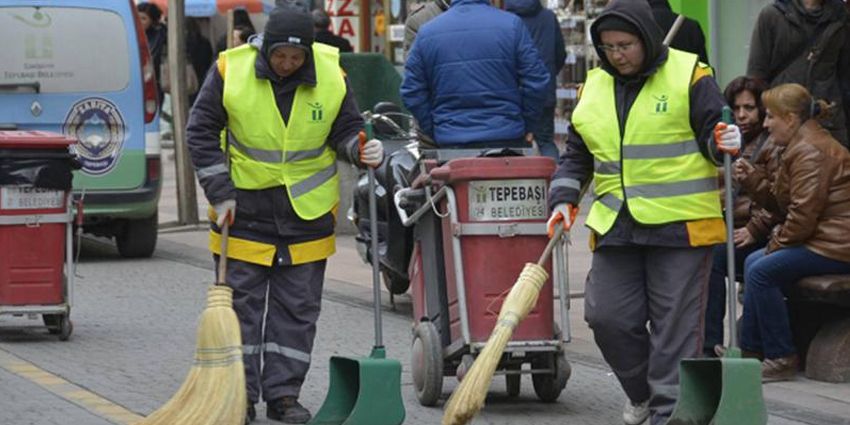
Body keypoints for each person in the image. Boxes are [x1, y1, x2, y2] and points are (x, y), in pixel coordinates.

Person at [185, 6, 383, 424]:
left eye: (296, 58)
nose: (288, 65)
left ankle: (284, 396)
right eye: (280, 57)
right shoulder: (229, 71)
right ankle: (239, 395)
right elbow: (200, 130)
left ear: (308, 53)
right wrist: (219, 192)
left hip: (306, 217)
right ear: (265, 48)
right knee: (241, 312)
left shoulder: (332, 75)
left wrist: (359, 148)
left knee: (297, 312)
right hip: (243, 213)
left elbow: (346, 129)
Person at [545, 1, 739, 424]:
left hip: (682, 227)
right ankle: (643, 394)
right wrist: (563, 198)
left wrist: (723, 140)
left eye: (626, 44)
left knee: (676, 330)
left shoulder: (691, 74)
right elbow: (576, 156)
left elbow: (713, 132)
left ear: (647, 39)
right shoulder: (592, 87)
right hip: (617, 226)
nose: (617, 54)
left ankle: (669, 415)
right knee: (606, 316)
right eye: (609, 46)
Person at [718, 83, 850, 381]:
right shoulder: (797, 147)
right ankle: (752, 350)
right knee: (756, 264)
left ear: (790, 118)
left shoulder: (811, 152)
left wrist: (774, 244)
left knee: (761, 269)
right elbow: (782, 206)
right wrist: (754, 182)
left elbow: (801, 218)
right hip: (822, 239)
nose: (765, 124)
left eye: (770, 117)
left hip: (836, 245)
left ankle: (780, 356)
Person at [400, 0, 549, 149]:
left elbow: (412, 90)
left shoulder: (427, 32)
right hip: (506, 136)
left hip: (450, 138)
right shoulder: (512, 25)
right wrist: (528, 124)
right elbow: (537, 80)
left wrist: (434, 127)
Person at [703, 76, 775, 356]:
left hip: (763, 230)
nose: (742, 115)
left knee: (715, 260)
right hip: (735, 223)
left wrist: (755, 230)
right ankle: (707, 343)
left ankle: (713, 345)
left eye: (749, 108)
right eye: (737, 108)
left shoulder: (771, 142)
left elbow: (778, 198)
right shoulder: (728, 140)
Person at [747, 0, 850, 147]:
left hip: (828, 125)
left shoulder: (841, 16)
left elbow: (845, 80)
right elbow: (756, 78)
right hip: (784, 125)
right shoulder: (772, 15)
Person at [506, 0, 566, 160]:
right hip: (544, 93)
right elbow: (561, 54)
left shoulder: (505, 19)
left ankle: (518, 183)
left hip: (513, 94)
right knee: (546, 141)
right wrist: (548, 75)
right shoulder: (548, 17)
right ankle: (556, 180)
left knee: (513, 146)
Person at [137, 2, 167, 105]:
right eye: (137, 18)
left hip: (153, 84)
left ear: (152, 20)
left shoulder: (160, 34)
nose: (139, 22)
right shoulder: (133, 33)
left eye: (143, 18)